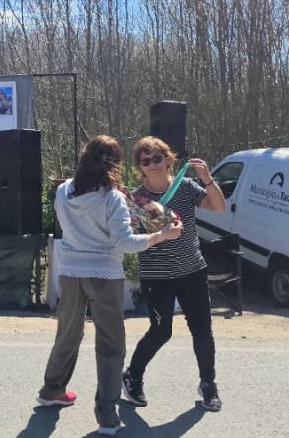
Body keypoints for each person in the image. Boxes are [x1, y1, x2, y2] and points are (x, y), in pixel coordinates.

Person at [37, 135, 181, 436]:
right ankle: (106, 415)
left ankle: (52, 390)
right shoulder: (112, 198)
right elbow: (125, 244)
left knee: (67, 334)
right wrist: (160, 236)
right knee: (111, 345)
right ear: (115, 164)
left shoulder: (63, 191)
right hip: (104, 275)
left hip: (70, 273)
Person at [122, 137, 227, 412]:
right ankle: (132, 375)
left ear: (169, 160)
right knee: (161, 331)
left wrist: (206, 178)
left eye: (157, 158)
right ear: (140, 168)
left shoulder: (186, 187)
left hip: (192, 270)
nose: (152, 165)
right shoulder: (136, 200)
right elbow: (131, 238)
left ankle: (208, 384)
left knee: (202, 330)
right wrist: (159, 233)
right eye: (146, 161)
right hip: (157, 276)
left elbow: (218, 206)